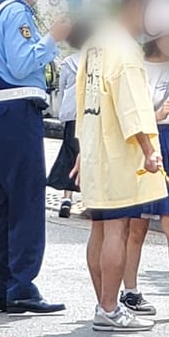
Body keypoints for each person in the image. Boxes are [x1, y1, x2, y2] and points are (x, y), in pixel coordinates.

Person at [0, 0, 71, 315]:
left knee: (4, 204)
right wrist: (53, 37)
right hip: (16, 111)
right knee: (27, 201)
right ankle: (21, 285)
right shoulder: (16, 12)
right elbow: (20, 64)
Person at [75, 0, 166, 332]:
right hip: (119, 153)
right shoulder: (125, 50)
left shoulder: (97, 43)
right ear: (136, 5)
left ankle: (104, 303)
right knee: (117, 229)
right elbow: (132, 107)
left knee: (99, 229)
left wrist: (83, 149)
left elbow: (84, 100)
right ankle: (111, 308)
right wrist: (149, 150)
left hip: (97, 148)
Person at [118, 0, 169, 321]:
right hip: (142, 145)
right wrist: (154, 115)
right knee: (134, 226)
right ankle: (130, 291)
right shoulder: (133, 65)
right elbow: (125, 113)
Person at [46, 20, 94, 219]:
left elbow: (63, 87)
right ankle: (90, 200)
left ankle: (67, 198)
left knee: (69, 152)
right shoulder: (99, 61)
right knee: (90, 154)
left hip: (73, 114)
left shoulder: (69, 62)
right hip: (94, 114)